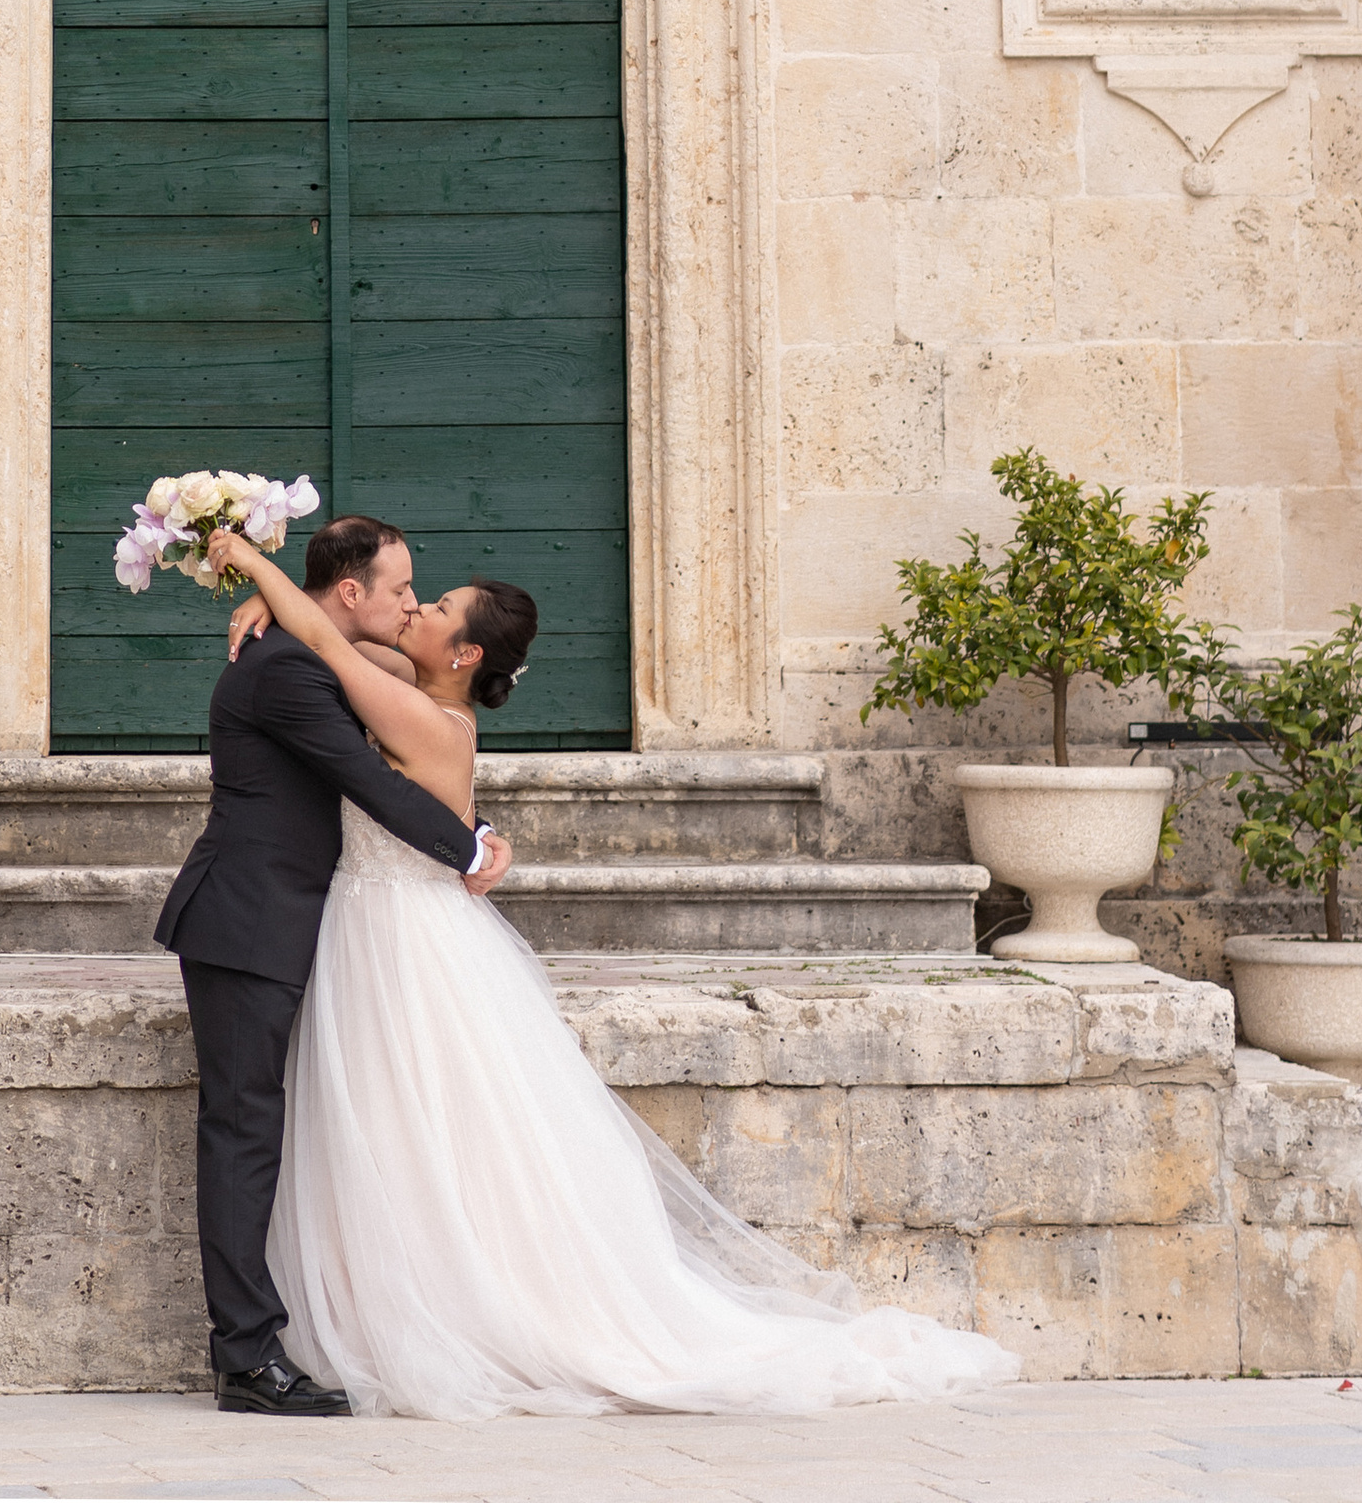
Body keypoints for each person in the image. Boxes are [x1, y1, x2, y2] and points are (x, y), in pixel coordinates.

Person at [205, 524, 1021, 1421]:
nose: (416, 605)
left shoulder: (416, 709)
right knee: (412, 1127)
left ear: (466, 652)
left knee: (427, 1126)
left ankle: (458, 1311)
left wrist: (252, 565)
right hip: (377, 927)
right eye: (411, 592)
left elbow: (332, 646)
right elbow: (335, 634)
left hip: (401, 935)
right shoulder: (413, 685)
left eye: (433, 607)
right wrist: (274, 602)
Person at [153, 513, 513, 1417]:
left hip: (287, 925)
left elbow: (418, 738)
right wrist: (467, 849)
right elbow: (375, 784)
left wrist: (260, 588)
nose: (408, 605)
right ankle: (246, 1359)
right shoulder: (287, 673)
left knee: (266, 1133)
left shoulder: (309, 656)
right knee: (241, 1136)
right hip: (247, 925)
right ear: (350, 593)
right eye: (400, 590)